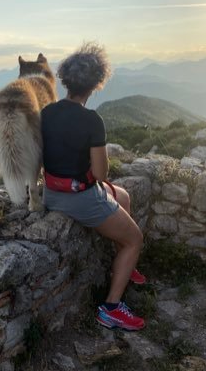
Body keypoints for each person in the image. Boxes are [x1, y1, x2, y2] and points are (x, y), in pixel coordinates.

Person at [41, 42, 146, 331]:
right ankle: (111, 308)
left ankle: (124, 266)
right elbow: (100, 174)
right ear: (96, 84)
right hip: (81, 198)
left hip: (51, 193)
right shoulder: (91, 120)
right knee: (134, 239)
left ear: (65, 80)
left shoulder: (47, 113)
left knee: (122, 196)